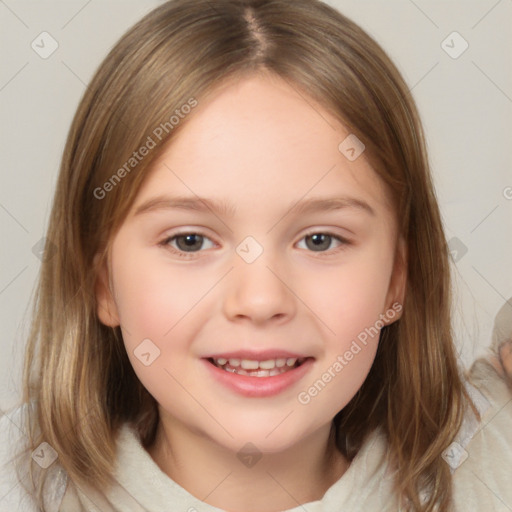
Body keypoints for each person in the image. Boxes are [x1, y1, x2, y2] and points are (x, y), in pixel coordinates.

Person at [1, 1, 511, 511]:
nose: (261, 299)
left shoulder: (488, 464)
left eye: (320, 240)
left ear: (397, 278)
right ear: (102, 284)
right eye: (189, 241)